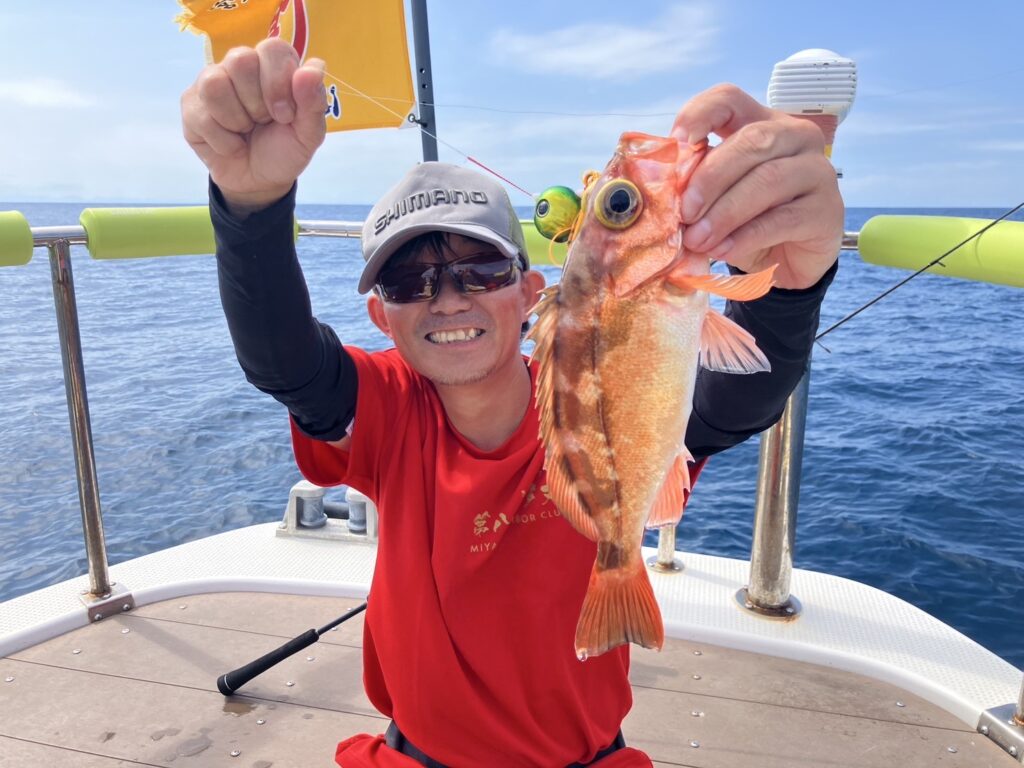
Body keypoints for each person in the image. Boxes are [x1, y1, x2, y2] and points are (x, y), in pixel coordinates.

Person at [181, 38, 842, 768]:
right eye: (409, 282)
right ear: (382, 319)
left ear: (531, 294)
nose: (448, 299)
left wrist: (791, 290)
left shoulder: (592, 387)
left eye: (481, 270)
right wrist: (250, 208)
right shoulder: (390, 407)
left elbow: (732, 402)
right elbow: (287, 365)